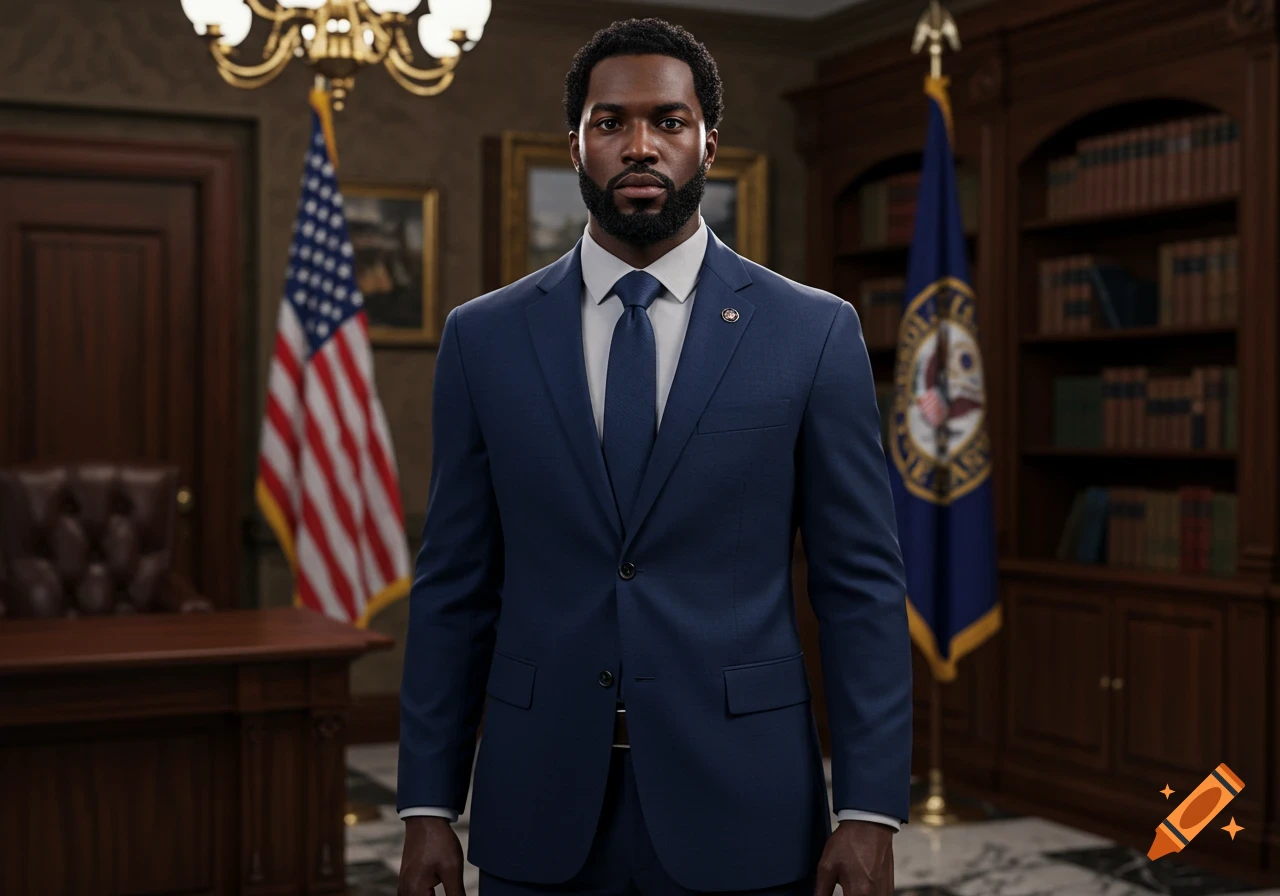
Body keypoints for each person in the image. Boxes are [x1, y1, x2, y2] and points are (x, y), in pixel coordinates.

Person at [396, 17, 911, 896]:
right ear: (577, 144)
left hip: (745, 801)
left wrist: (867, 809)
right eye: (612, 122)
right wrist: (427, 806)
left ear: (710, 140)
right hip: (538, 804)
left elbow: (859, 585)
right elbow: (454, 584)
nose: (641, 145)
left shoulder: (812, 332)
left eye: (668, 122)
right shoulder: (483, 339)